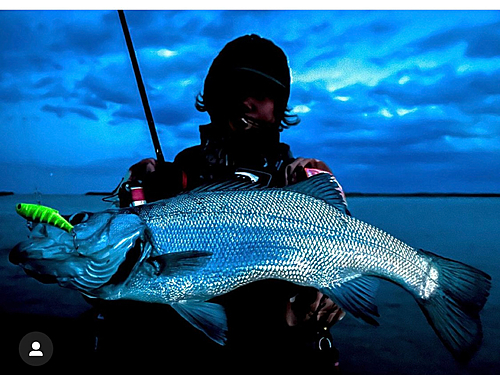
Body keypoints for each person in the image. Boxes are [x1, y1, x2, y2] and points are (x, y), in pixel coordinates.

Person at [117, 34, 346, 370]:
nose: (247, 102)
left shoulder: (299, 181)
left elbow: (343, 253)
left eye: (263, 94)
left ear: (280, 107)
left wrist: (334, 289)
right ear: (212, 96)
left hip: (272, 351)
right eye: (236, 89)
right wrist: (136, 194)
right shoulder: (169, 178)